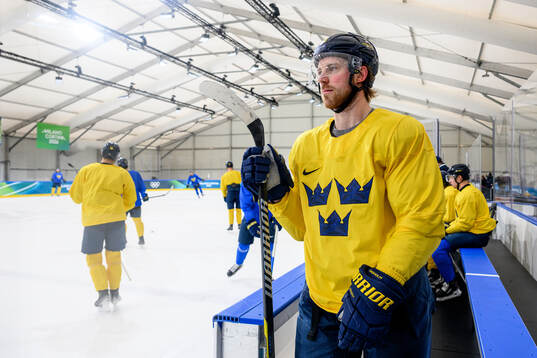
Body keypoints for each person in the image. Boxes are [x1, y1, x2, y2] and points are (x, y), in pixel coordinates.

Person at [241, 33, 445, 357]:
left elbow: (422, 219)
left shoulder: (399, 132)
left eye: (331, 68)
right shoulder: (305, 146)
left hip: (390, 296)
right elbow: (301, 228)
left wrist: (380, 287)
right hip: (321, 303)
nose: (321, 78)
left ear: (360, 74)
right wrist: (278, 193)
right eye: (318, 70)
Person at [69, 142, 136, 308]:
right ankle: (115, 294)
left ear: (102, 153)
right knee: (114, 258)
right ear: (117, 157)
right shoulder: (123, 173)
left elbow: (76, 197)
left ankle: (102, 295)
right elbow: (131, 200)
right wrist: (119, 209)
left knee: (94, 259)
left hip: (93, 221)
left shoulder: (87, 170)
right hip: (117, 221)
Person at [432, 164, 496, 302]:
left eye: (451, 178)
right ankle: (448, 279)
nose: (449, 181)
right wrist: (447, 229)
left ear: (459, 178)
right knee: (440, 243)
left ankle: (453, 286)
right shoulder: (466, 192)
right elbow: (462, 220)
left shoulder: (467, 195)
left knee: (438, 249)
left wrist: (446, 230)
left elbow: (465, 223)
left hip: (477, 235)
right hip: (475, 232)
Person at [227, 184, 280, 277]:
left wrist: (279, 217)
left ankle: (268, 274)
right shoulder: (247, 177)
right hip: (250, 217)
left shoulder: (275, 175)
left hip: (270, 218)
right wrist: (251, 222)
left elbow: (282, 198)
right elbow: (245, 204)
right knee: (243, 244)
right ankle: (238, 263)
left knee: (269, 249)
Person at [117, 157, 149, 246]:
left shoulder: (117, 175)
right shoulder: (135, 174)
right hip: (135, 202)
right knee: (137, 221)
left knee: (122, 222)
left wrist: (144, 194)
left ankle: (123, 239)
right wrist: (144, 195)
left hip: (124, 204)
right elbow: (141, 186)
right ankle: (141, 238)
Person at [220, 161, 242, 231]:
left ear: (226, 167)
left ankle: (231, 225)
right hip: (238, 192)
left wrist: (224, 196)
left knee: (230, 210)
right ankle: (239, 224)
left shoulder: (224, 176)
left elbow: (223, 187)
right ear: (232, 166)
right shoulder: (238, 173)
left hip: (230, 193)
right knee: (239, 210)